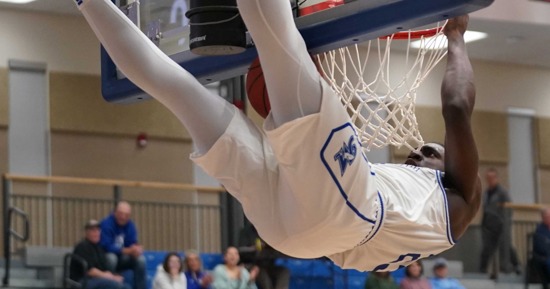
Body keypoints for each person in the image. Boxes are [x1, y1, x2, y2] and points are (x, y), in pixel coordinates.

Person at [73, 0, 480, 272]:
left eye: (432, 152)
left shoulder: (460, 199)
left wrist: (457, 36)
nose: (421, 149)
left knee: (278, 42)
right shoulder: (426, 212)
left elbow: (458, 109)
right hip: (296, 232)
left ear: (451, 168)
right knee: (182, 93)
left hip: (350, 217)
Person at [479, 168, 520, 275]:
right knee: (487, 248)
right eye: (488, 178)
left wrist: (505, 222)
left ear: (496, 178)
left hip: (501, 224)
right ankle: (482, 270)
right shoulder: (486, 193)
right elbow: (485, 209)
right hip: (489, 225)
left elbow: (509, 207)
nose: (490, 180)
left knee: (506, 246)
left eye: (492, 178)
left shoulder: (502, 192)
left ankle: (516, 265)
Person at [70, 219, 131, 289]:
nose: (96, 233)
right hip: (83, 280)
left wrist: (114, 276)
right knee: (116, 286)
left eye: (98, 230)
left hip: (97, 279)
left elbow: (103, 268)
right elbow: (90, 271)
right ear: (87, 232)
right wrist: (111, 277)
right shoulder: (82, 246)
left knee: (126, 283)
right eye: (93, 230)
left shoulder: (99, 247)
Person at [100, 201, 146, 289]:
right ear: (115, 213)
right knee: (111, 258)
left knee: (141, 260)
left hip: (123, 258)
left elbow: (132, 243)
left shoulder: (131, 225)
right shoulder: (106, 224)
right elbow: (106, 246)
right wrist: (128, 250)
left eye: (126, 215)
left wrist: (136, 250)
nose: (123, 217)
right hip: (105, 258)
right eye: (121, 214)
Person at [238, 222, 290, 289]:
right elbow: (242, 252)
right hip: (253, 265)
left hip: (268, 264)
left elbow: (276, 253)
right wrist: (256, 249)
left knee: (284, 271)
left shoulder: (269, 232)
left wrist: (267, 248)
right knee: (262, 275)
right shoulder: (246, 232)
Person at [533, 208, 550, 289]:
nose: (549, 218)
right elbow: (541, 246)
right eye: (547, 216)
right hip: (544, 256)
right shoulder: (540, 229)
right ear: (543, 218)